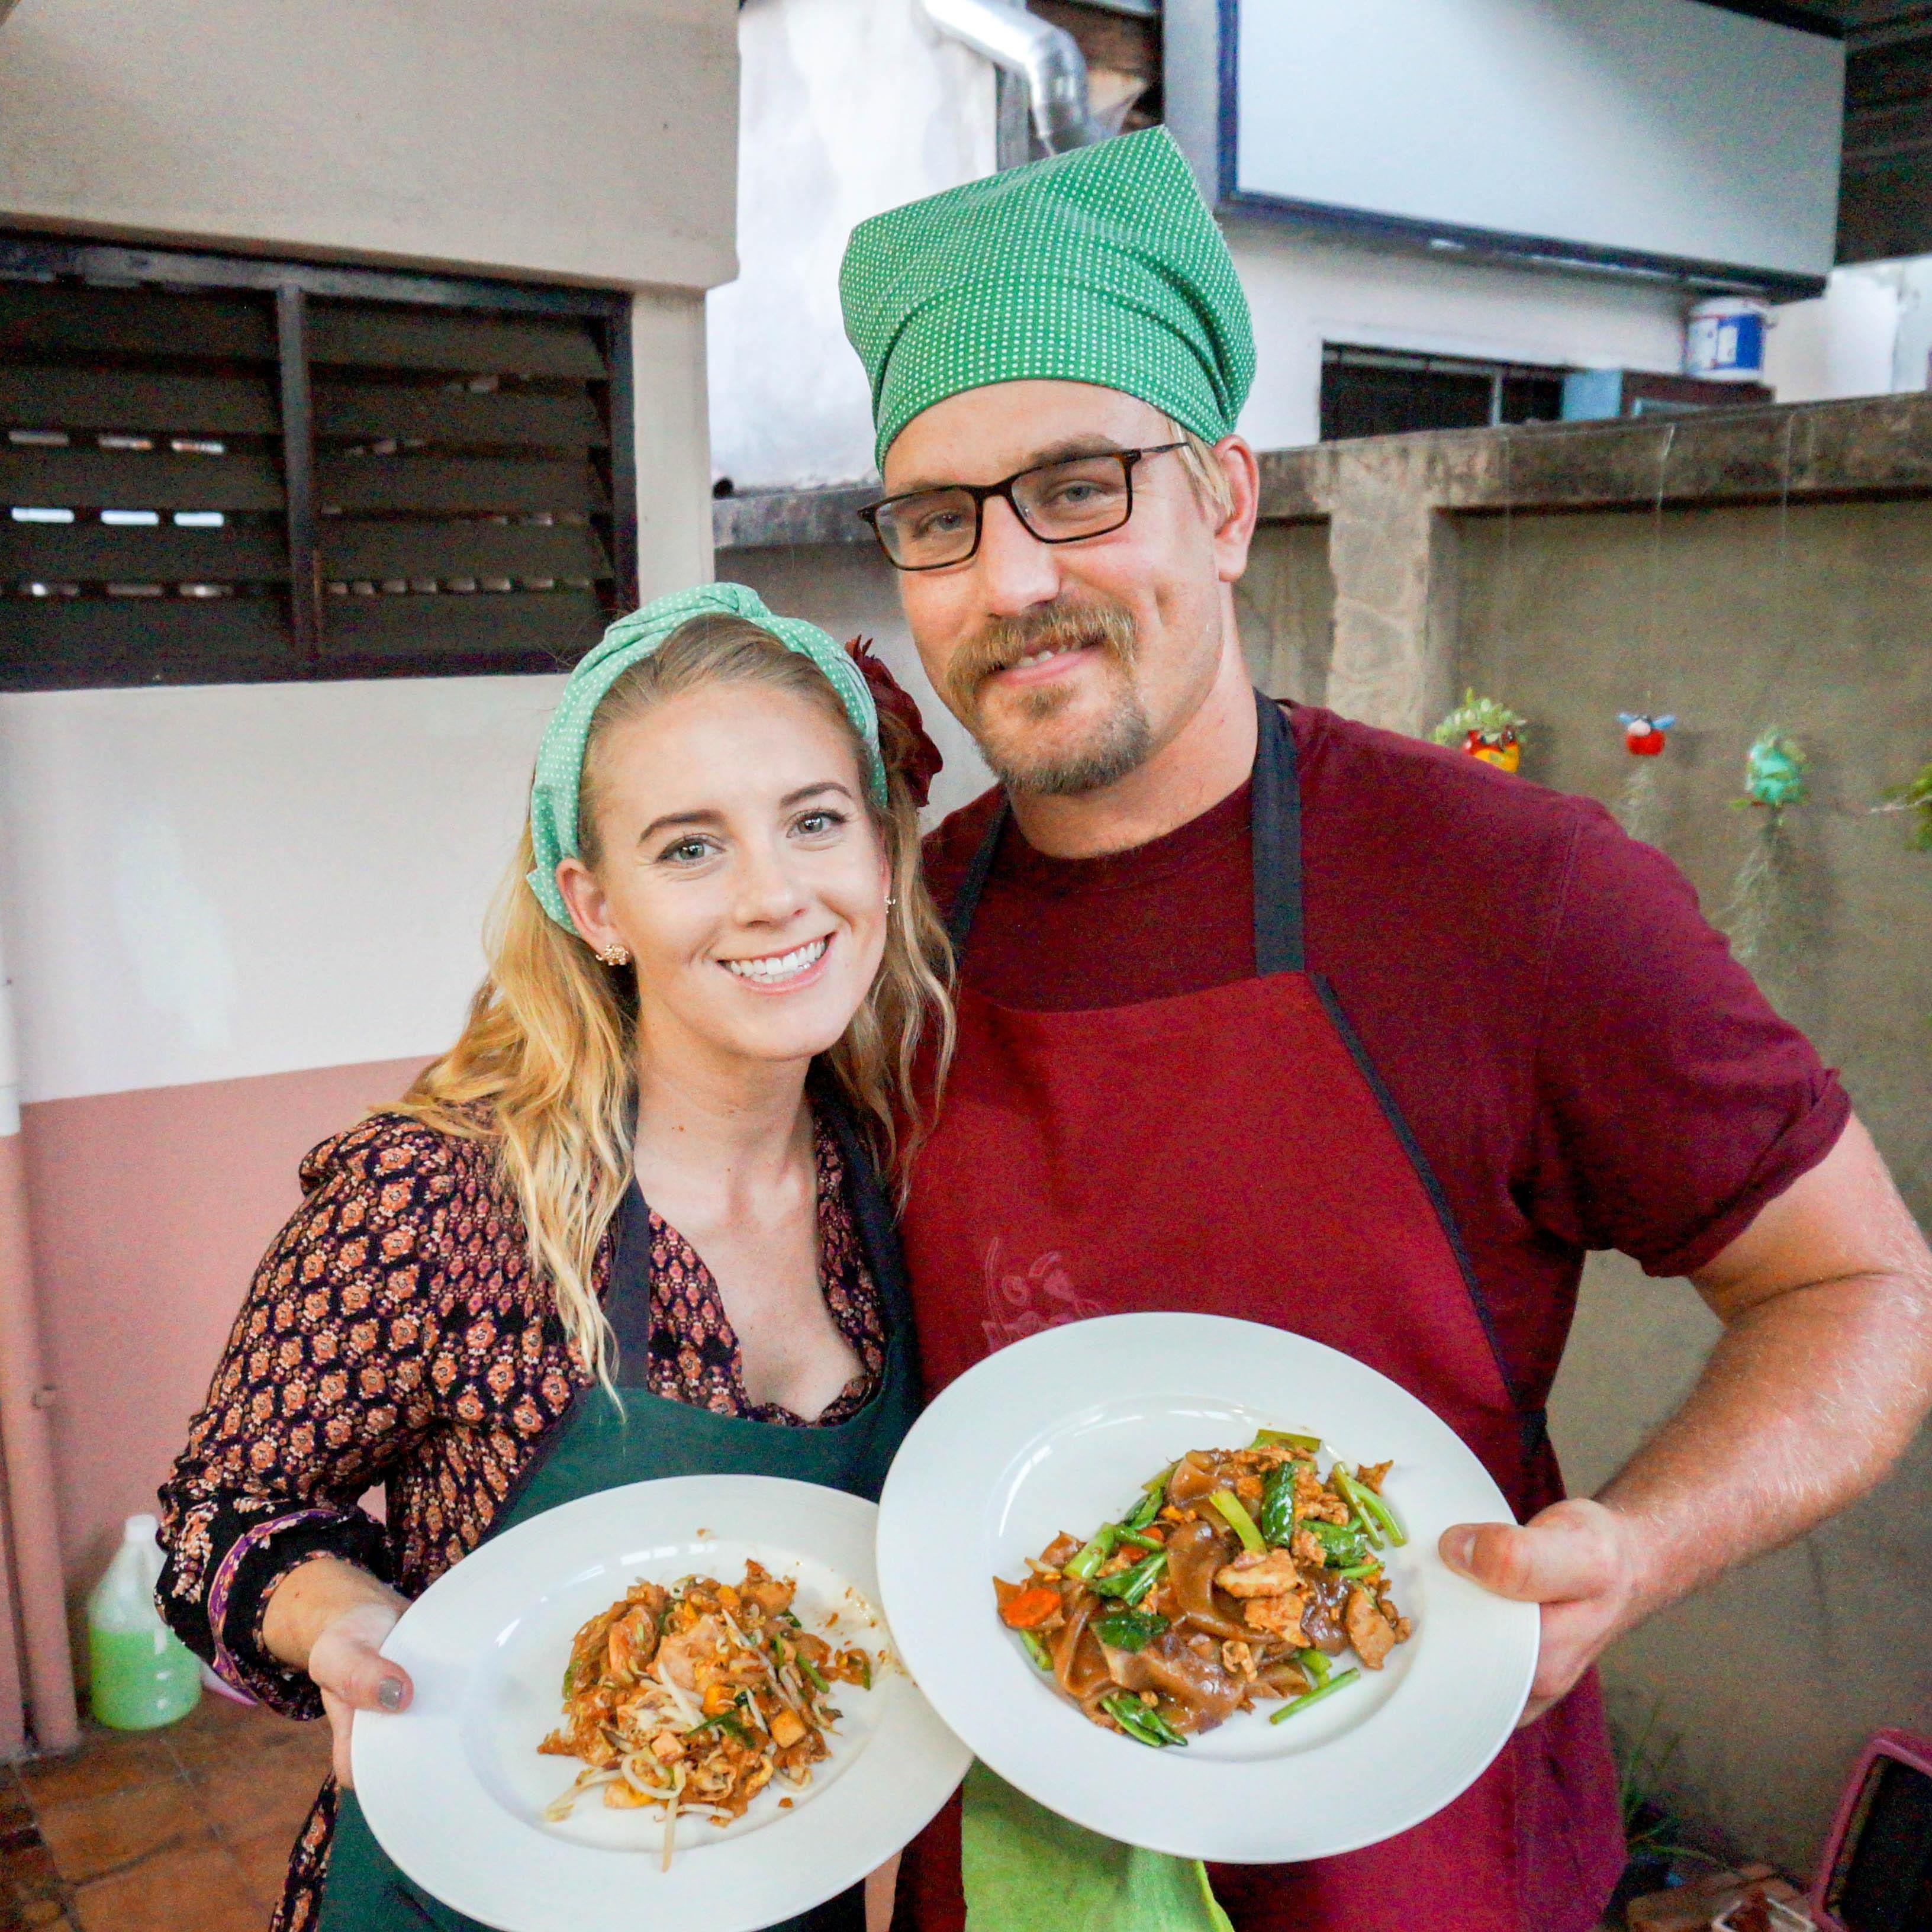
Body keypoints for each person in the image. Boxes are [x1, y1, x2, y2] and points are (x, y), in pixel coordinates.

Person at [838, 127, 1932, 1931]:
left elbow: (1863, 1290)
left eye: (1080, 486)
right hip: (1026, 1852)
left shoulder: (1512, 891)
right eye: (940, 517)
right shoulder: (901, 941)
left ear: (1226, 498)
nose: (1012, 577)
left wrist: (1641, 1548)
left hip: (1426, 1860)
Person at [156, 584, 954, 1932]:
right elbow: (220, 1516)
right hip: (477, 1892)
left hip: (779, 1886)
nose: (774, 895)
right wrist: (345, 1617)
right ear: (594, 905)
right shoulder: (446, 1196)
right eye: (689, 849)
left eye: (814, 821)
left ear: (879, 856)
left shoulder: (899, 1161)